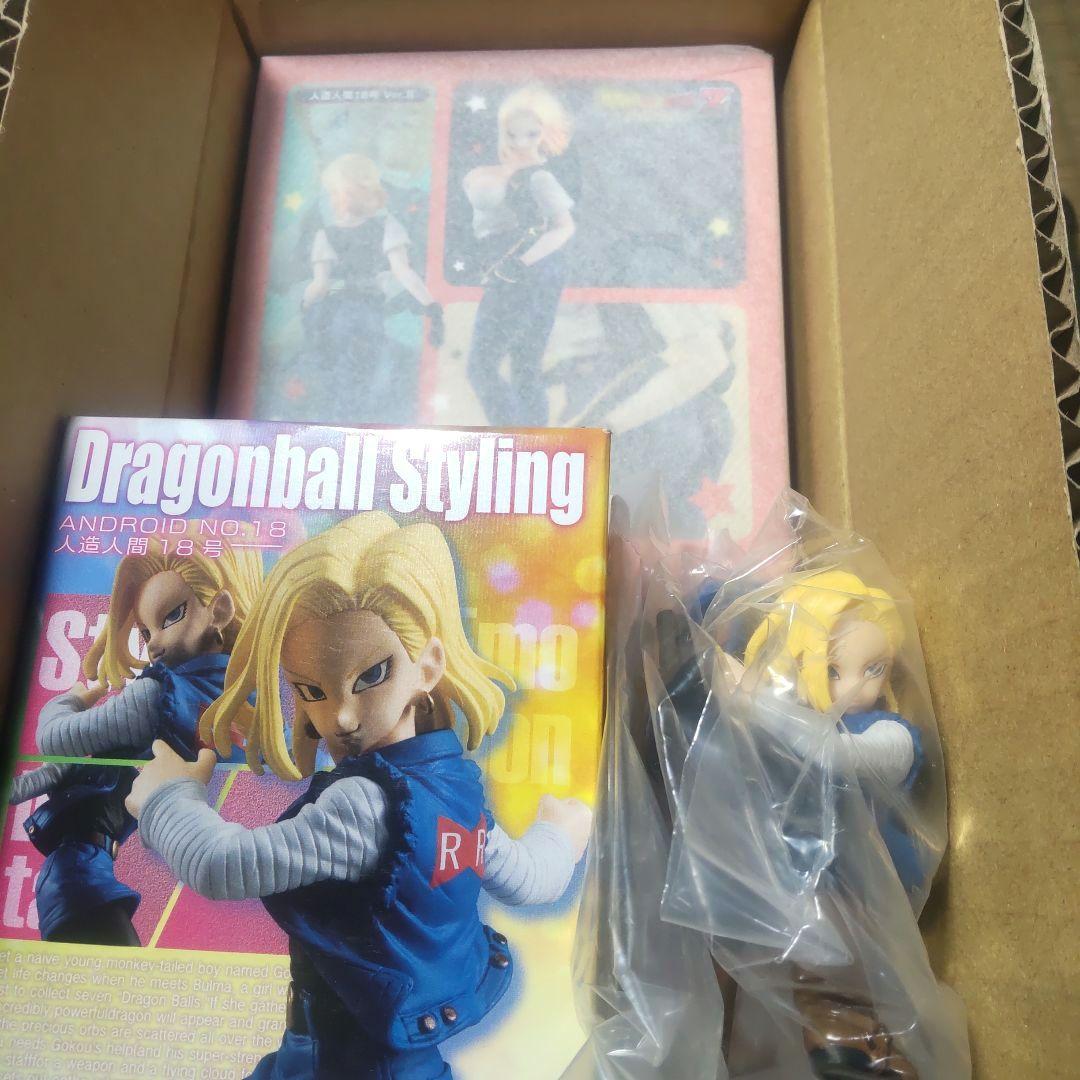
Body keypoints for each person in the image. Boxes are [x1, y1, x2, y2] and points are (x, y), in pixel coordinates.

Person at [126, 512, 592, 1079]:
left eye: (371, 676)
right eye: (312, 691)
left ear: (429, 666)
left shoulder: (363, 807)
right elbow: (526, 877)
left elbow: (224, 865)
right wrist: (560, 836)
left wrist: (167, 798)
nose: (341, 717)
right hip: (372, 1051)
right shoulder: (455, 787)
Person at [9, 535, 263, 945]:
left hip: (84, 866)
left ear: (220, 610)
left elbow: (53, 738)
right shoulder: (238, 694)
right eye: (145, 632)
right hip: (91, 860)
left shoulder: (157, 694)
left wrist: (70, 700)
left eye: (172, 616)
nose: (154, 644)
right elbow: (55, 767)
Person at [463, 86, 576, 426]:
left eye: (531, 134)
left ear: (546, 133)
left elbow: (564, 227)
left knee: (484, 367)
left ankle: (515, 440)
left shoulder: (539, 177)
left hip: (526, 271)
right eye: (512, 134)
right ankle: (530, 441)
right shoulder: (503, 172)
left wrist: (522, 262)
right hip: (521, 270)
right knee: (524, 368)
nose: (520, 142)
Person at [301, 153, 443, 404]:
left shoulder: (326, 235)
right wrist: (429, 304)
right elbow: (404, 272)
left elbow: (320, 285)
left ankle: (347, 407)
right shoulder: (387, 226)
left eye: (335, 192)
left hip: (340, 313)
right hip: (369, 311)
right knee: (369, 368)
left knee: (345, 371)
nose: (332, 200)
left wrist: (305, 304)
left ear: (352, 191)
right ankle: (359, 406)